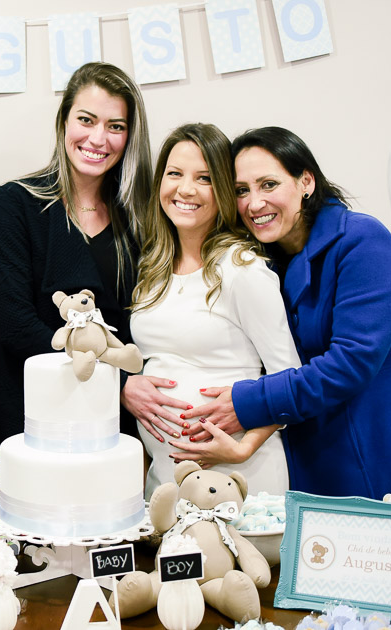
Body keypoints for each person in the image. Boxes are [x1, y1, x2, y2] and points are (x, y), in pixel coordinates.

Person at [181, 126, 391, 500]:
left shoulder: (362, 240)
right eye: (241, 191)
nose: (254, 203)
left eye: (268, 184)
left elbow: (351, 363)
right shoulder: (259, 261)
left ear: (306, 182)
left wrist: (247, 403)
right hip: (298, 462)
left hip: (366, 455)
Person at [0, 62, 168, 452]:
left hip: (112, 422)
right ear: (63, 122)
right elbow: (15, 326)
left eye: (115, 126)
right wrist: (120, 382)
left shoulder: (140, 218)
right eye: (86, 120)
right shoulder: (14, 203)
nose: (98, 138)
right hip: (31, 411)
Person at [128, 123, 300, 498]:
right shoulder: (151, 269)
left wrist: (243, 448)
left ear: (222, 189)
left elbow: (289, 379)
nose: (185, 189)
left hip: (242, 479)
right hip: (166, 484)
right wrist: (129, 386)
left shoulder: (242, 269)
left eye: (203, 178)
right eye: (175, 174)